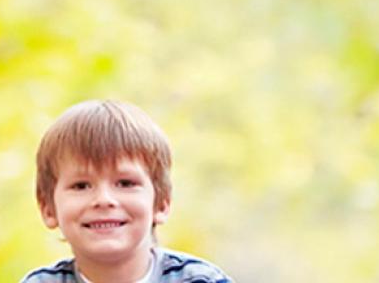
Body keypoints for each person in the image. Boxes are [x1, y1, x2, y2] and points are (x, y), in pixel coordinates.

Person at [22, 100, 232, 283]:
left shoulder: (201, 280)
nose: (104, 200)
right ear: (48, 208)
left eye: (125, 183)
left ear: (161, 202)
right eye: (81, 186)